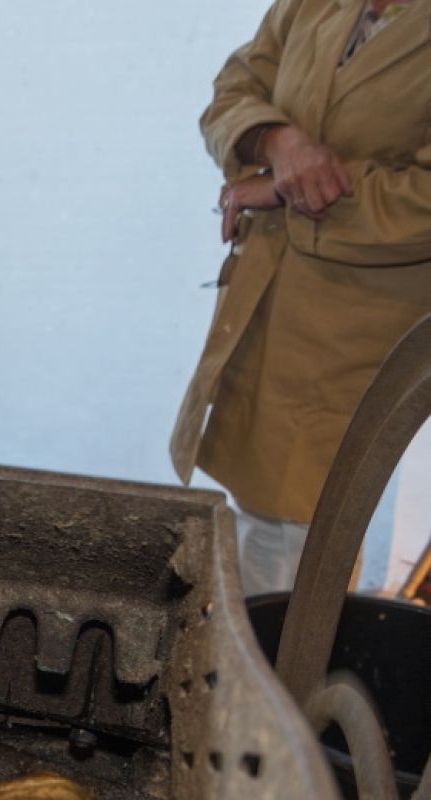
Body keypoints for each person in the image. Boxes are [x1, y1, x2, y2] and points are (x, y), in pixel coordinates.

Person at [171, 0, 431, 594]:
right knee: (256, 519)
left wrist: (298, 194)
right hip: (268, 305)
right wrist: (278, 143)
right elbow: (237, 84)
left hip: (356, 329)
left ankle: (281, 677)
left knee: (304, 540)